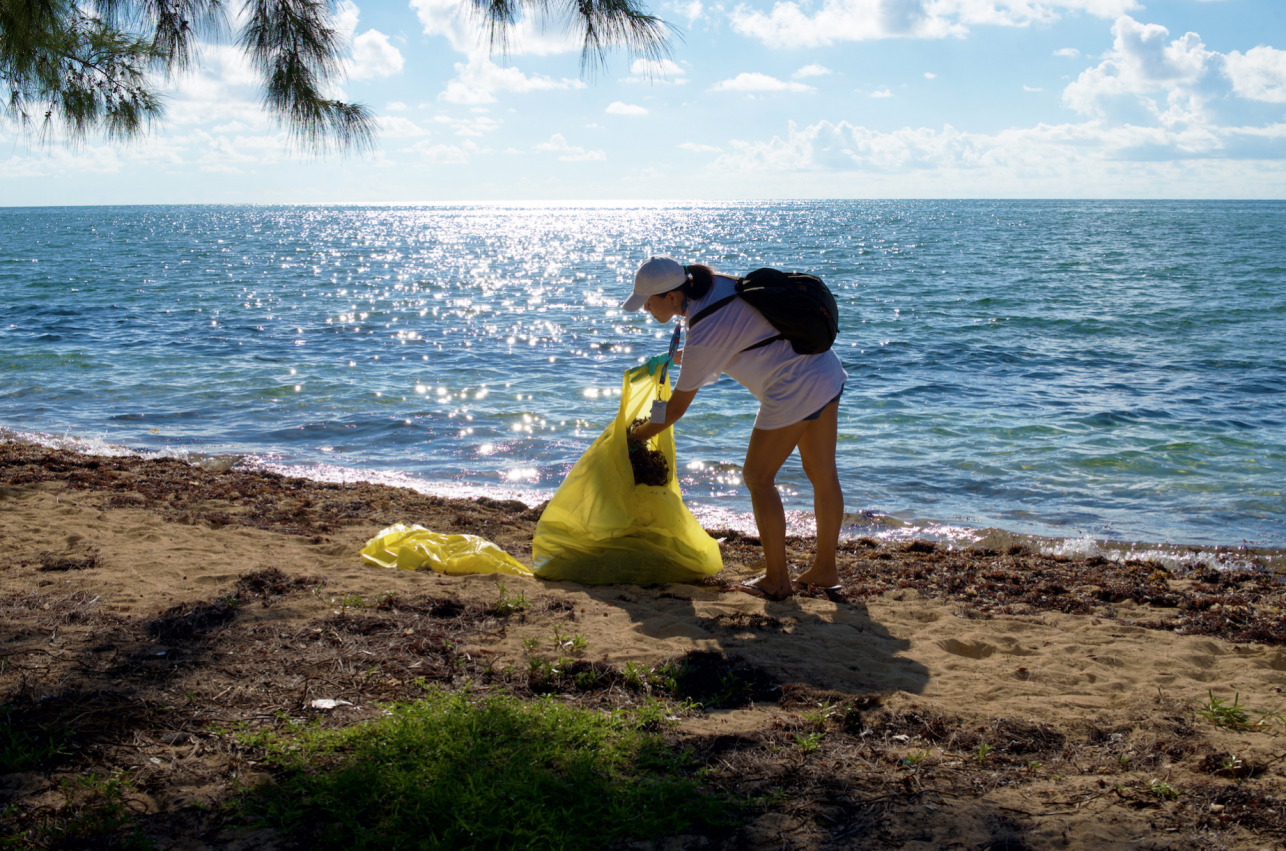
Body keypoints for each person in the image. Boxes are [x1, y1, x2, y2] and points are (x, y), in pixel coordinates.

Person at [623, 256, 848, 601]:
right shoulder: (717, 285)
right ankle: (825, 569)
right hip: (822, 368)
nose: (646, 310)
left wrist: (631, 438)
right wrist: (688, 356)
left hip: (792, 386)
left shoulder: (703, 327)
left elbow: (675, 410)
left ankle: (777, 580)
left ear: (671, 297)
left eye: (649, 302)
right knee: (822, 472)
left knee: (757, 477)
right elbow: (739, 331)